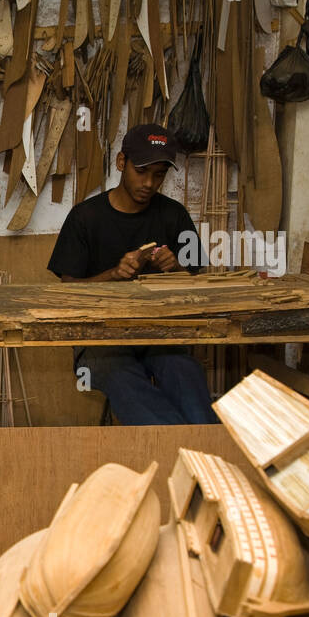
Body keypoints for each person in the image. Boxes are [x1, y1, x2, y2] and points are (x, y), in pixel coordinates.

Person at [45, 123, 218, 426]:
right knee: (126, 383)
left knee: (186, 374)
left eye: (159, 174)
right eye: (142, 171)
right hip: (101, 339)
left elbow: (200, 286)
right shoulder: (85, 217)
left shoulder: (174, 215)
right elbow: (68, 292)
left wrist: (176, 269)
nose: (149, 183)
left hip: (160, 334)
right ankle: (180, 452)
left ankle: (207, 455)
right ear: (121, 163)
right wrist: (113, 275)